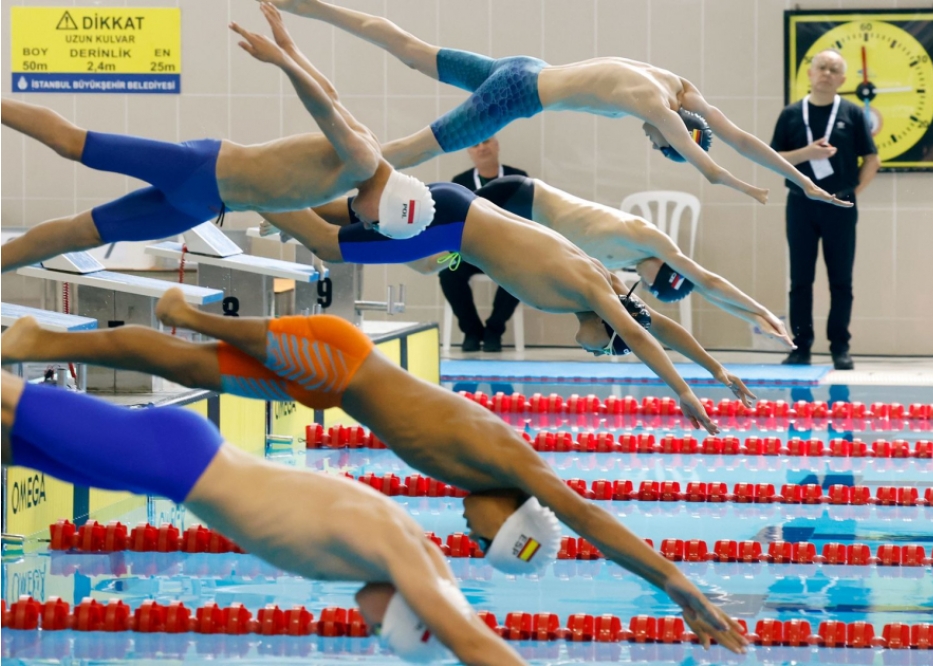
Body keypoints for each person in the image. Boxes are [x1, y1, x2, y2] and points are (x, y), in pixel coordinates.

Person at [3, 308, 749, 656]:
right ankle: (87, 331)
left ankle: (52, 341)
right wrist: (678, 586)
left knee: (170, 369)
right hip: (335, 363)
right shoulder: (511, 467)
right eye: (485, 540)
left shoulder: (437, 514)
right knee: (183, 352)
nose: (470, 535)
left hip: (318, 393)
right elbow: (586, 521)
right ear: (512, 521)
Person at [0, 369, 524, 665]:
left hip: (173, 467)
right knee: (8, 401)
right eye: (382, 629)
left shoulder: (398, 547)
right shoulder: (394, 550)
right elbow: (470, 640)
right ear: (409, 608)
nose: (368, 626)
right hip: (178, 460)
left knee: (8, 443)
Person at [257, 184, 757, 433]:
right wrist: (684, 392)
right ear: (607, 329)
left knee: (349, 217)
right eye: (606, 351)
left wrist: (717, 369)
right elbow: (643, 334)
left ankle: (267, 199)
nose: (596, 354)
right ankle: (245, 189)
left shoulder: (604, 286)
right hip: (452, 226)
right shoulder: (594, 292)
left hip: (458, 209)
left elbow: (656, 325)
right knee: (327, 245)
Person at [261, 0, 852, 209]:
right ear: (675, 131)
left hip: (524, 65)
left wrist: (804, 181)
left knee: (412, 50)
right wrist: (749, 188)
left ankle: (311, 6)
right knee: (411, 151)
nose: (653, 141)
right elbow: (713, 164)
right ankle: (314, 186)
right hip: (517, 94)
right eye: (661, 144)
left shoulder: (677, 84)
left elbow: (741, 138)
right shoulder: (659, 105)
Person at [0, 2, 434, 274]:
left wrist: (291, 49)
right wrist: (283, 61)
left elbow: (331, 95)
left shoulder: (364, 160)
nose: (367, 223)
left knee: (85, 233)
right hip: (199, 169)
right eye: (377, 222)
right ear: (390, 202)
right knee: (73, 144)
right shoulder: (362, 162)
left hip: (204, 205)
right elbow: (323, 108)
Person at [471, 175, 794, 349]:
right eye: (654, 284)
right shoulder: (647, 237)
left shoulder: (628, 262)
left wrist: (753, 318)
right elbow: (708, 281)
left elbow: (706, 292)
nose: (647, 286)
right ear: (663, 270)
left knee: (458, 250)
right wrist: (763, 311)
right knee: (454, 233)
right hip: (520, 197)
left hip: (524, 220)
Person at [770, 49, 880, 370]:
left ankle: (840, 348)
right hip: (801, 204)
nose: (827, 74)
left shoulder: (852, 113)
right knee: (800, 280)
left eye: (834, 70)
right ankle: (800, 346)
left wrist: (852, 193)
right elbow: (773, 158)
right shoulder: (791, 114)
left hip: (840, 205)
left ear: (843, 79)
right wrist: (806, 153)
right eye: (822, 67)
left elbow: (872, 160)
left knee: (841, 280)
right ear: (810, 73)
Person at [445, 137, 527, 352]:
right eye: (475, 144)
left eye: (486, 141)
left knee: (521, 273)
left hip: (506, 252)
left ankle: (494, 330)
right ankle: (471, 331)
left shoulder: (518, 178)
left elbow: (527, 218)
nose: (481, 147)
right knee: (448, 272)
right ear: (469, 152)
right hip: (472, 252)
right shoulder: (460, 182)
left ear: (497, 145)